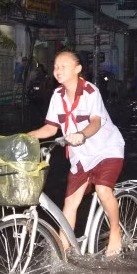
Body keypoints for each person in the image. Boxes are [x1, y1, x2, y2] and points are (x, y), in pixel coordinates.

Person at [28, 50, 126, 258]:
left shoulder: (91, 92)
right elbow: (50, 129)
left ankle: (116, 231)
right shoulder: (57, 95)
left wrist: (81, 134)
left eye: (63, 66)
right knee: (70, 202)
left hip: (107, 149)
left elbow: (96, 123)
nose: (58, 70)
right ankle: (64, 249)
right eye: (55, 67)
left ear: (78, 69)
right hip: (81, 156)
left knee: (102, 190)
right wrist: (25, 137)